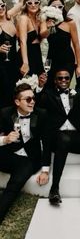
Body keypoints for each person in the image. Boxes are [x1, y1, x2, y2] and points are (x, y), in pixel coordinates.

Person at [37, 68, 80, 205]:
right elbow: (38, 101)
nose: (63, 80)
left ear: (70, 80)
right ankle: (54, 189)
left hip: (76, 137)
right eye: (60, 78)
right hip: (57, 138)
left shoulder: (77, 94)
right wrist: (40, 86)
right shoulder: (49, 95)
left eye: (66, 78)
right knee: (64, 139)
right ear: (55, 81)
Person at [0, 83, 51, 224]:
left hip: (30, 159)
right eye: (28, 99)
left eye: (33, 98)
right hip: (8, 155)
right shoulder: (5, 113)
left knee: (15, 182)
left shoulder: (41, 114)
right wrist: (5, 139)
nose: (33, 101)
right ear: (17, 102)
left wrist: (45, 171)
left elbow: (47, 144)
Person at [0, 0, 32, 106]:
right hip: (1, 66)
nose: (0, 8)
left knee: (15, 93)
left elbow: (21, 1)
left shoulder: (10, 17)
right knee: (4, 94)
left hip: (14, 62)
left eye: (2, 5)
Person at [44, 0, 80, 87]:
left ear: (63, 7)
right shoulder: (44, 22)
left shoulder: (70, 23)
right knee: (49, 87)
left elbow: (76, 44)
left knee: (64, 86)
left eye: (60, 7)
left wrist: (79, 66)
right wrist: (49, 25)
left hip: (67, 60)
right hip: (51, 60)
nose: (57, 9)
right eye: (54, 7)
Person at [16, 0, 48, 78]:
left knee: (39, 84)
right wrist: (25, 63)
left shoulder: (40, 18)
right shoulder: (24, 18)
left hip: (37, 54)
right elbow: (23, 42)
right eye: (29, 3)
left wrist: (49, 26)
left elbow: (43, 35)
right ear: (26, 5)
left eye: (36, 2)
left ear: (39, 4)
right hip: (26, 55)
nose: (33, 5)